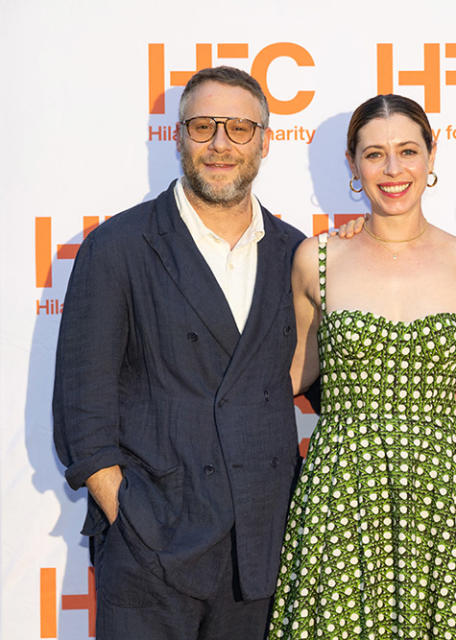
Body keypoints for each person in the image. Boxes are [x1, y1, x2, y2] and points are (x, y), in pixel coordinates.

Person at [53, 67, 305, 639]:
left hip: (262, 551)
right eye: (203, 126)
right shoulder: (118, 247)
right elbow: (81, 407)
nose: (221, 144)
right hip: (149, 549)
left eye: (240, 128)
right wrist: (128, 515)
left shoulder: (295, 254)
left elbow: (327, 378)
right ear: (177, 137)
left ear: (264, 142)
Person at [267, 94, 456, 640]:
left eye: (407, 151)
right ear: (353, 166)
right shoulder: (318, 258)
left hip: (446, 496)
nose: (393, 169)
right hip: (343, 493)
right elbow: (291, 374)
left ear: (430, 157)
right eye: (375, 155)